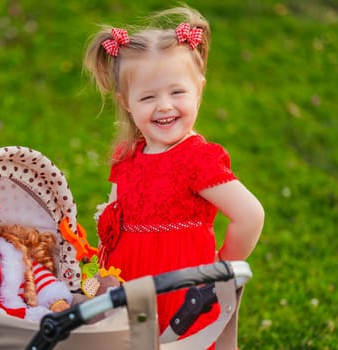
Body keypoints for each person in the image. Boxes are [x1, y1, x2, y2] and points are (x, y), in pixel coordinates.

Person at [84, 5, 265, 340]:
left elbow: (250, 215)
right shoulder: (127, 157)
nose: (164, 105)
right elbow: (110, 223)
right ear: (126, 102)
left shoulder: (196, 160)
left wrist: (220, 267)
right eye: (148, 97)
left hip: (181, 293)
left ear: (199, 89)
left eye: (177, 92)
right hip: (128, 288)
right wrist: (97, 273)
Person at [0, 181, 73, 321]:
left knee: (47, 320)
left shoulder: (9, 255)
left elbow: (36, 275)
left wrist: (55, 301)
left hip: (18, 314)